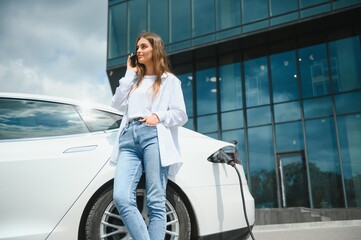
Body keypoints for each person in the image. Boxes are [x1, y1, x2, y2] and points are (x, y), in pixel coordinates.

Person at [109, 32, 188, 240]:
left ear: (156, 49)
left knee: (155, 200)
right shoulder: (134, 81)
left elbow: (180, 114)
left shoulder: (169, 81)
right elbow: (116, 104)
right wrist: (128, 74)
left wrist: (158, 116)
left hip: (153, 136)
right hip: (128, 138)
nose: (138, 50)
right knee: (121, 197)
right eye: (137, 47)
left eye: (143, 46)